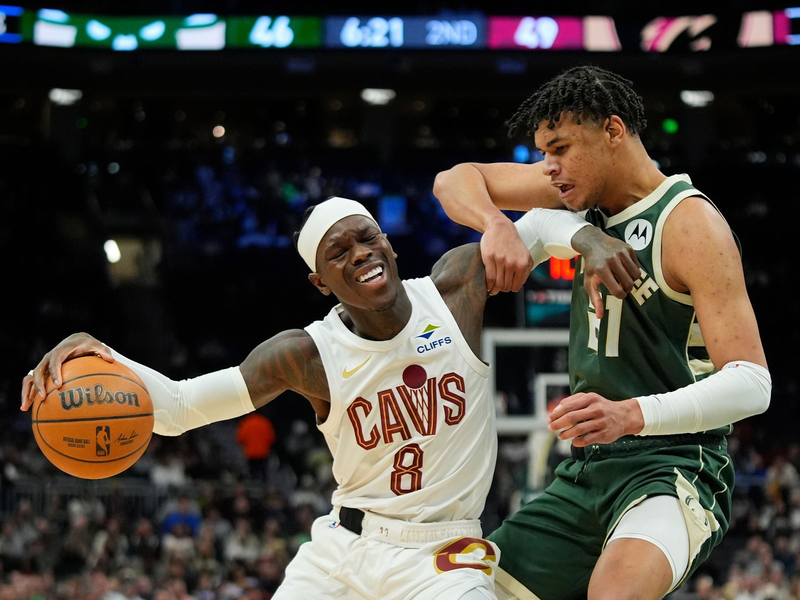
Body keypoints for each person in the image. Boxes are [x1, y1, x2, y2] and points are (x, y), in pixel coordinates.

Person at [21, 196, 636, 600]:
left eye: (366, 240)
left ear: (389, 245)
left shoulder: (454, 289)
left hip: (443, 554)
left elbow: (534, 226)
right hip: (343, 550)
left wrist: (587, 240)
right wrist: (103, 352)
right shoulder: (304, 353)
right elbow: (181, 408)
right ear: (320, 282)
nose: (359, 255)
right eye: (337, 254)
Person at [433, 65, 772, 600]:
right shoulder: (575, 202)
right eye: (544, 153)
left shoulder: (688, 222)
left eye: (561, 148)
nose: (550, 168)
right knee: (458, 591)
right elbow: (453, 179)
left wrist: (630, 414)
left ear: (613, 131)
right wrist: (496, 223)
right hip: (588, 471)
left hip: (674, 465)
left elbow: (754, 383)